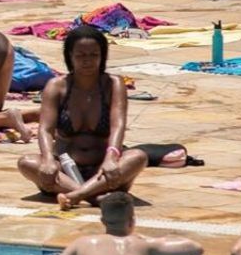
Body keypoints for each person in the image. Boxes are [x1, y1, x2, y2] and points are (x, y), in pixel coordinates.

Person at [18, 25, 147, 207]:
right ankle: (92, 196)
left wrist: (111, 158)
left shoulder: (113, 84)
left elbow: (118, 125)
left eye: (94, 55)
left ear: (102, 56)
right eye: (81, 56)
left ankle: (75, 195)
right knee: (26, 163)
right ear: (70, 56)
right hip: (65, 170)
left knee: (138, 157)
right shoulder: (57, 86)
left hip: (103, 171)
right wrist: (48, 159)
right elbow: (46, 129)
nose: (87, 61)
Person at [53, 191, 203, 255]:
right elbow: (196, 249)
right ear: (132, 221)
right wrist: (152, 239)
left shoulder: (82, 243)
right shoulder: (145, 245)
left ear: (103, 221)